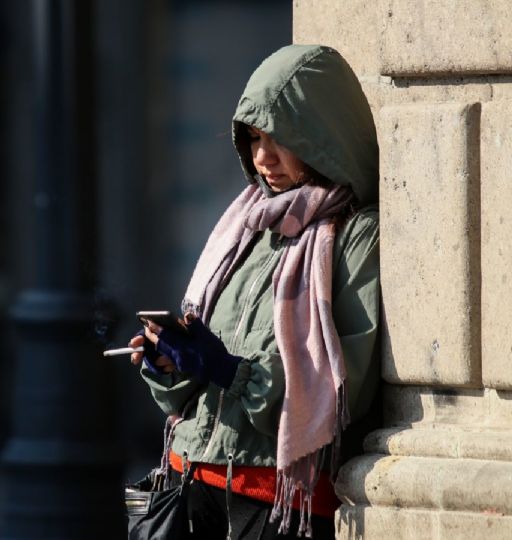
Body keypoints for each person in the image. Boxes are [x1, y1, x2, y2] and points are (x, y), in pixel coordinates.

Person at [128, 44, 381, 539]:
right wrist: (173, 364)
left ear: (321, 135)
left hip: (273, 502)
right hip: (190, 483)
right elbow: (202, 386)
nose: (262, 157)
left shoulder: (354, 235)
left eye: (280, 138)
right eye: (252, 138)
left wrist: (230, 371)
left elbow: (345, 387)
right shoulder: (245, 226)